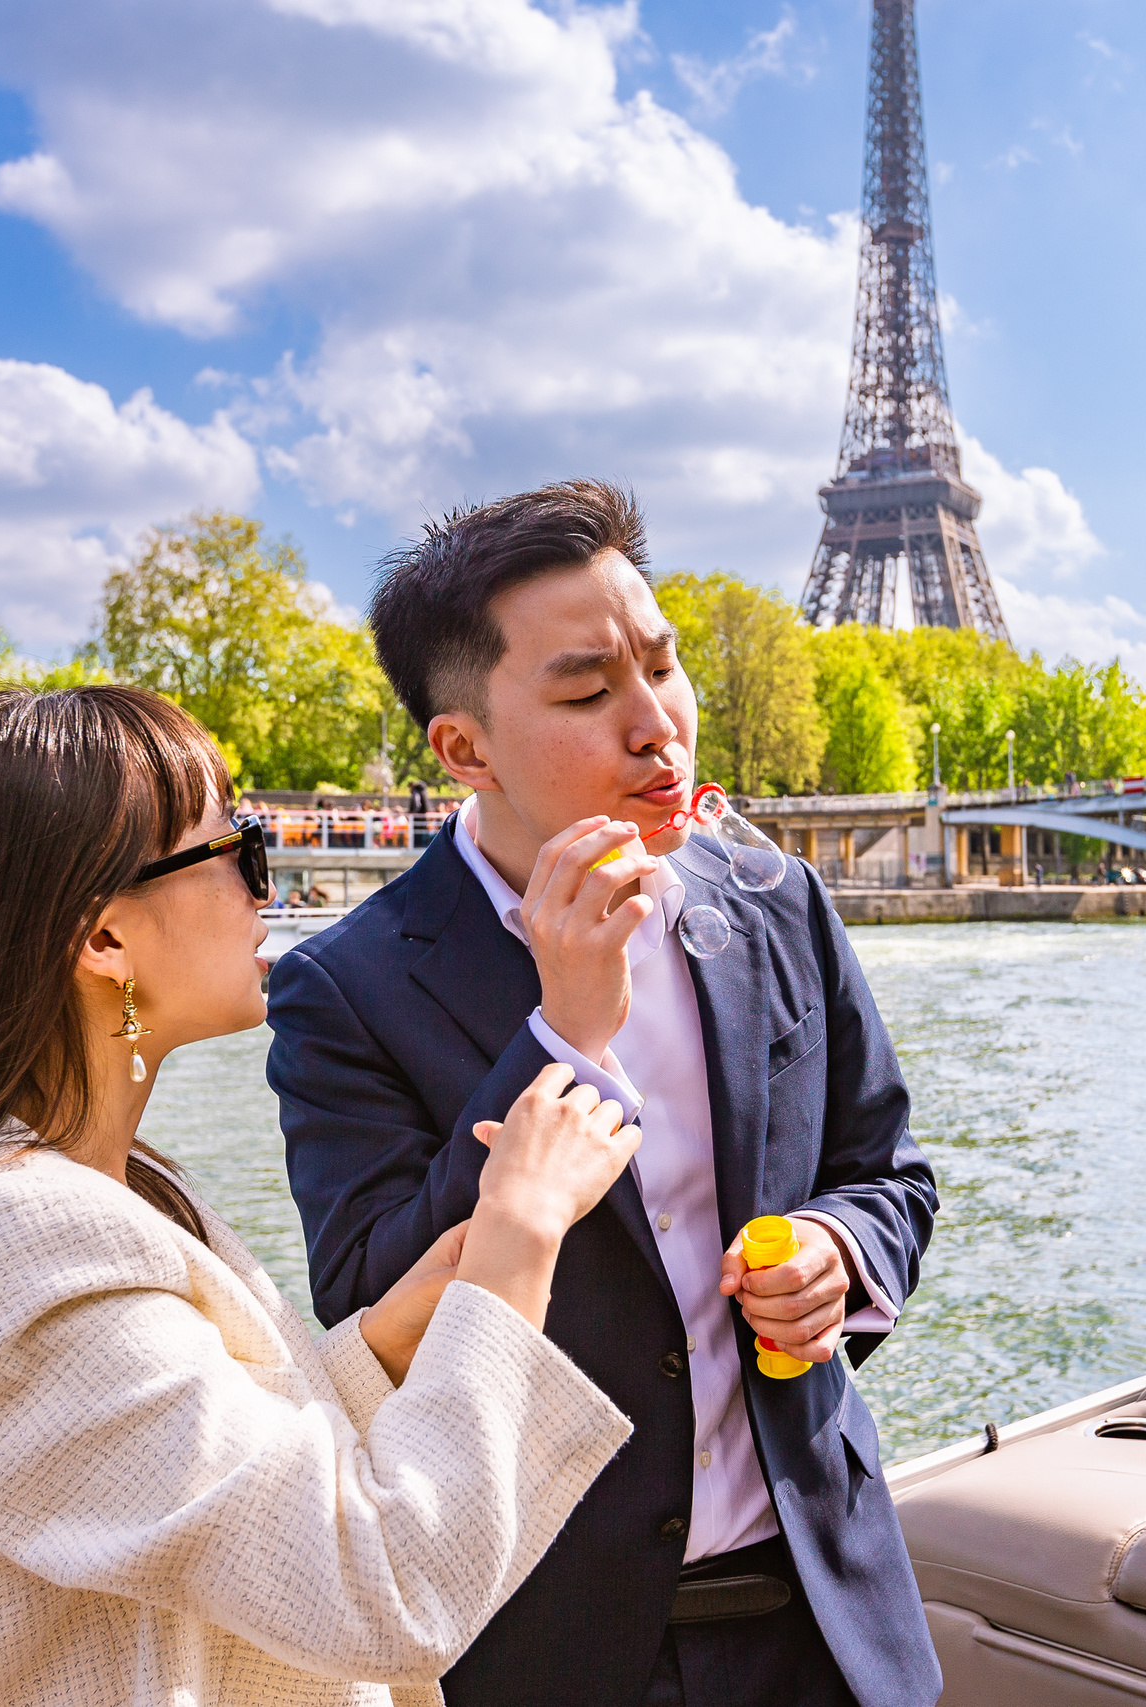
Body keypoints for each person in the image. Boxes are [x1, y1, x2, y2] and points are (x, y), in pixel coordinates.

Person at [0, 684, 641, 1706]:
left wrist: (382, 1344)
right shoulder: (21, 1235)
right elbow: (385, 1589)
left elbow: (181, 1473)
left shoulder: (83, 1190)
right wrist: (519, 1234)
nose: (263, 888)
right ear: (102, 940)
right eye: (235, 854)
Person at [267, 482, 942, 1707]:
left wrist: (843, 1254)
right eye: (587, 691)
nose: (658, 725)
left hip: (830, 1615)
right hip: (554, 1647)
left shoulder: (774, 898)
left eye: (664, 666)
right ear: (462, 748)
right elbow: (379, 1318)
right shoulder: (344, 987)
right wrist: (562, 1035)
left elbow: (887, 1173)